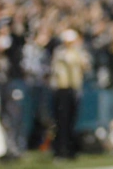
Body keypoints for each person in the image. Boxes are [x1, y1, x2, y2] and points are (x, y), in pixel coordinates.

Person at [50, 29, 90, 160]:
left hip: (74, 88)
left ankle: (71, 150)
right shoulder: (60, 52)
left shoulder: (78, 52)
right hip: (62, 89)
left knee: (72, 120)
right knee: (62, 120)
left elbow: (86, 66)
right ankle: (61, 149)